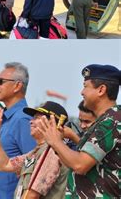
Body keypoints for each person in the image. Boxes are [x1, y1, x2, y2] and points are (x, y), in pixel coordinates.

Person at [36, 64, 120, 198]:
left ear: (101, 90)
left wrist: (55, 141)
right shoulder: (104, 121)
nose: (82, 92)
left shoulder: (111, 122)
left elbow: (80, 164)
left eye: (85, 86)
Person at [0, 101, 69, 198]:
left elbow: (32, 196)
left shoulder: (51, 151)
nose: (31, 121)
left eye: (37, 118)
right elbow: (4, 165)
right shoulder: (36, 152)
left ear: (51, 123)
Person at [0, 62, 36, 199]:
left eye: (1, 82)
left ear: (17, 86)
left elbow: (34, 168)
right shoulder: (5, 118)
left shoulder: (23, 120)